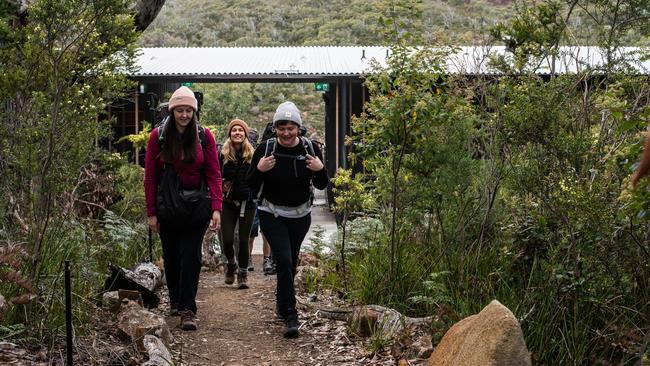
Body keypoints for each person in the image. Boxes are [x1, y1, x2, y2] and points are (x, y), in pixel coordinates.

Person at [247, 101, 328, 338]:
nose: (286, 132)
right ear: (275, 128)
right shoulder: (265, 149)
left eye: (290, 127)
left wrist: (320, 168)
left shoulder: (310, 148)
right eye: (281, 127)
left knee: (290, 262)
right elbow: (250, 184)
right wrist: (260, 169)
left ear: (298, 128)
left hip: (300, 215)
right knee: (282, 259)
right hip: (271, 213)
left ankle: (282, 301)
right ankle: (291, 316)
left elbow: (322, 184)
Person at [144, 86, 222, 331]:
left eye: (189, 110)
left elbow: (213, 172)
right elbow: (150, 177)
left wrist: (216, 208)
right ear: (172, 110)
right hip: (167, 206)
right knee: (172, 256)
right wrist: (151, 213)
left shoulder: (203, 136)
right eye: (180, 110)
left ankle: (188, 308)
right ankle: (176, 299)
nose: (184, 115)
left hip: (196, 205)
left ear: (194, 111)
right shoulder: (158, 136)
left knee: (192, 257)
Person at [220, 119, 257, 289]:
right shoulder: (222, 154)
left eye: (240, 130)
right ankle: (231, 263)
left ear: (245, 134)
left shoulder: (252, 154)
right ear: (230, 133)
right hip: (227, 202)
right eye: (234, 130)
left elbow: (259, 177)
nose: (237, 133)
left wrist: (254, 192)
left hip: (247, 203)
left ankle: (242, 273)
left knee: (243, 239)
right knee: (227, 240)